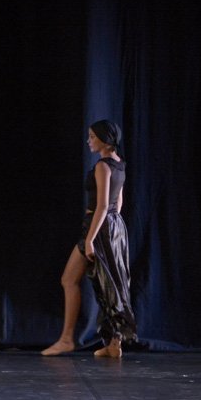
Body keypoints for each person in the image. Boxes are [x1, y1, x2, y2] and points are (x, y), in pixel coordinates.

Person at [42, 120, 137, 358]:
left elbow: (102, 206)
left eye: (92, 137)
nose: (89, 141)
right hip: (114, 227)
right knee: (111, 284)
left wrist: (90, 239)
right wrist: (113, 231)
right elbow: (118, 203)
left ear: (105, 140)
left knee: (69, 279)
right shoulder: (119, 164)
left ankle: (66, 339)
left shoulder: (103, 166)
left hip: (98, 227)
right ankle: (114, 344)